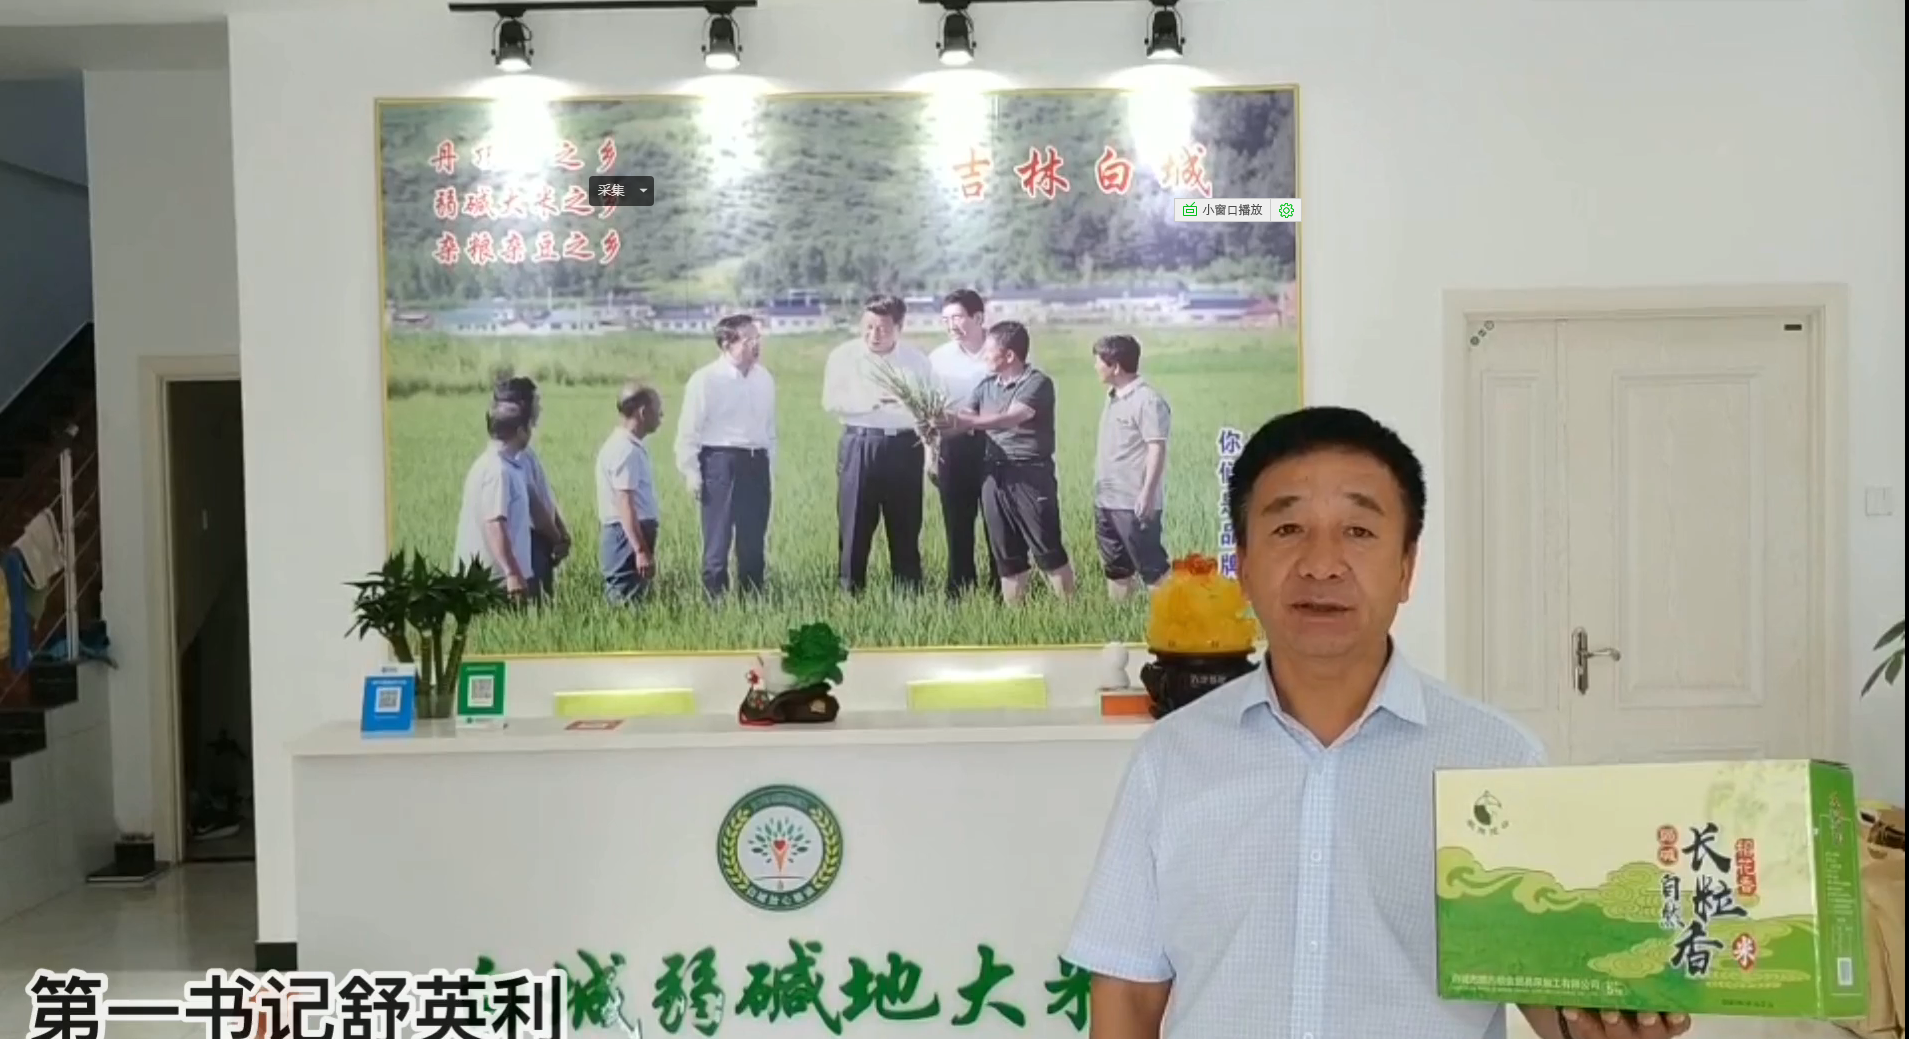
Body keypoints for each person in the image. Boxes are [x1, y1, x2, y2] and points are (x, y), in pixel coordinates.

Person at [1063, 406, 1693, 1039]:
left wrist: (1611, 1019)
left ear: (1405, 567)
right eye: (1288, 529)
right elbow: (1128, 996)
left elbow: (1550, 996)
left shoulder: (1496, 761)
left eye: (1359, 531)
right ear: (1245, 565)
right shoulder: (1173, 758)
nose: (1321, 564)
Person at [942, 320, 1076, 603]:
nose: (984, 355)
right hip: (992, 475)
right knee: (1007, 556)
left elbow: (1011, 418)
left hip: (1029, 475)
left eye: (989, 350)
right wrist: (934, 423)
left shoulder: (1037, 383)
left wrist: (966, 421)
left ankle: (1071, 613)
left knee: (1047, 550)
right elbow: (963, 422)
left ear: (1009, 355)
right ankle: (1016, 615)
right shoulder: (986, 386)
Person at [821, 294, 933, 595]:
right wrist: (871, 402)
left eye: (882, 329)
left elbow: (927, 408)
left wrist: (931, 454)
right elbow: (830, 402)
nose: (874, 335)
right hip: (860, 444)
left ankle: (909, 597)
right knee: (855, 526)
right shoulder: (843, 357)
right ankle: (850, 595)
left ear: (899, 327)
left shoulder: (917, 361)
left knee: (906, 527)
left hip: (905, 447)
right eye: (868, 327)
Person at [675, 314, 776, 599]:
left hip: (757, 462)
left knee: (753, 543)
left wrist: (770, 467)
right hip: (720, 462)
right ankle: (714, 603)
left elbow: (770, 430)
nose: (756, 345)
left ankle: (752, 601)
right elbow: (689, 430)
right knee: (718, 543)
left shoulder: (764, 379)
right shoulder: (706, 380)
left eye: (758, 338)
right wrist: (691, 473)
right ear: (726, 344)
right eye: (748, 340)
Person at [1090, 334, 1172, 599]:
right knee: (1116, 568)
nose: (1095, 367)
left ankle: (1175, 618)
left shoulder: (1147, 400)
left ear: (1115, 367)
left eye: (1099, 361)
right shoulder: (1112, 396)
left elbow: (1156, 448)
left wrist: (1146, 495)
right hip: (1106, 500)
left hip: (1133, 502)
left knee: (1153, 568)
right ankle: (1120, 618)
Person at [929, 289, 999, 599]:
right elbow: (929, 411)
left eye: (957, 317)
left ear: (978, 317)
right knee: (957, 524)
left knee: (998, 521)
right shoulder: (938, 359)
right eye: (945, 319)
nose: (951, 325)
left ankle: (1003, 590)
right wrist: (930, 455)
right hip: (953, 447)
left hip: (996, 446)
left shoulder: (1003, 350)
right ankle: (959, 590)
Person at [493, 376, 571, 602]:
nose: (540, 408)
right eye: (536, 402)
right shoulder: (514, 457)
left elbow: (545, 498)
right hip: (530, 542)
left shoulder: (525, 452)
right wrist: (557, 538)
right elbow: (535, 508)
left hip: (540, 539)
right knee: (535, 604)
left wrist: (561, 530)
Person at [452, 399, 534, 601]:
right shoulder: (498, 471)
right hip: (494, 583)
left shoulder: (491, 464)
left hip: (492, 579)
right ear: (520, 431)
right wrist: (512, 572)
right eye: (529, 427)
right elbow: (495, 524)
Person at [595, 382, 665, 605]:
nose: (661, 416)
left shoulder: (628, 446)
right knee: (625, 601)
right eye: (658, 410)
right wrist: (640, 549)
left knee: (635, 600)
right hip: (625, 538)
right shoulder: (624, 450)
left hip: (629, 536)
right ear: (643, 412)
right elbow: (624, 502)